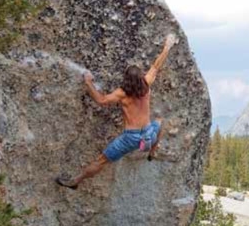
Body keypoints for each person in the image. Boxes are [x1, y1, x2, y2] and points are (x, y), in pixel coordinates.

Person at [56, 34, 177, 189]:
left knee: (101, 160)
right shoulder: (146, 85)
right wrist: (167, 46)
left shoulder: (122, 93)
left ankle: (75, 182)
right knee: (159, 122)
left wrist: (88, 83)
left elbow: (101, 100)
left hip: (131, 139)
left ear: (126, 79)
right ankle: (152, 151)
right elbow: (155, 67)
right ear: (140, 77)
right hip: (147, 137)